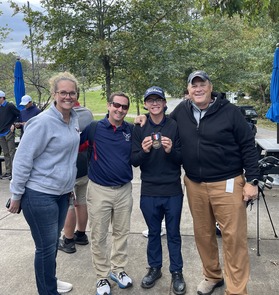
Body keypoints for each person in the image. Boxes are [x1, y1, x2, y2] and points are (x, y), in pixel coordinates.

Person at [136, 71, 260, 295]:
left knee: (234, 239)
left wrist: (252, 180)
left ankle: (236, 290)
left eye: (202, 85)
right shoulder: (182, 111)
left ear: (210, 87)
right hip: (194, 183)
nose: (198, 89)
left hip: (228, 182)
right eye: (194, 86)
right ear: (188, 91)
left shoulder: (230, 112)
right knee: (203, 235)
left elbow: (248, 146)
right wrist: (144, 120)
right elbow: (162, 121)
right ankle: (212, 276)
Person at [8, 72, 81, 295]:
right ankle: (47, 290)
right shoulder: (41, 123)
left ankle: (50, 279)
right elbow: (22, 160)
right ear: (54, 94)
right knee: (46, 248)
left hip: (62, 193)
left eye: (72, 92)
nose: (68, 96)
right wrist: (16, 195)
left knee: (51, 246)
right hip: (40, 195)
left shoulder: (73, 118)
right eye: (63, 92)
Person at [131, 86, 186, 295]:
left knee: (173, 233)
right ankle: (155, 268)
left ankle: (177, 272)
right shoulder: (140, 126)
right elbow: (134, 161)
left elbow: (182, 158)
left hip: (172, 189)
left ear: (164, 103)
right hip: (149, 190)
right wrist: (144, 151)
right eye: (150, 100)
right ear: (145, 104)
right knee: (154, 232)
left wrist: (171, 150)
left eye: (158, 100)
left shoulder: (174, 125)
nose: (154, 103)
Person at [80, 92, 133, 295]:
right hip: (99, 190)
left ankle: (118, 270)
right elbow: (71, 146)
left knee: (122, 233)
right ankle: (102, 276)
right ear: (109, 105)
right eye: (116, 105)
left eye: (124, 107)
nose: (120, 110)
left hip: (123, 189)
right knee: (99, 235)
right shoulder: (94, 128)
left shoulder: (130, 129)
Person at [58, 99, 93, 254]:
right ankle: (81, 234)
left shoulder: (60, 115)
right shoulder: (88, 114)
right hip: (85, 165)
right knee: (82, 202)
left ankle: (69, 240)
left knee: (69, 205)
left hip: (69, 166)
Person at [0, 90, 20, 180]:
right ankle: (8, 171)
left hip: (9, 131)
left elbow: (19, 115)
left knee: (12, 152)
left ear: (2, 98)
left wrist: (14, 124)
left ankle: (15, 171)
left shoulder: (9, 105)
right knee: (6, 153)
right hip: (1, 133)